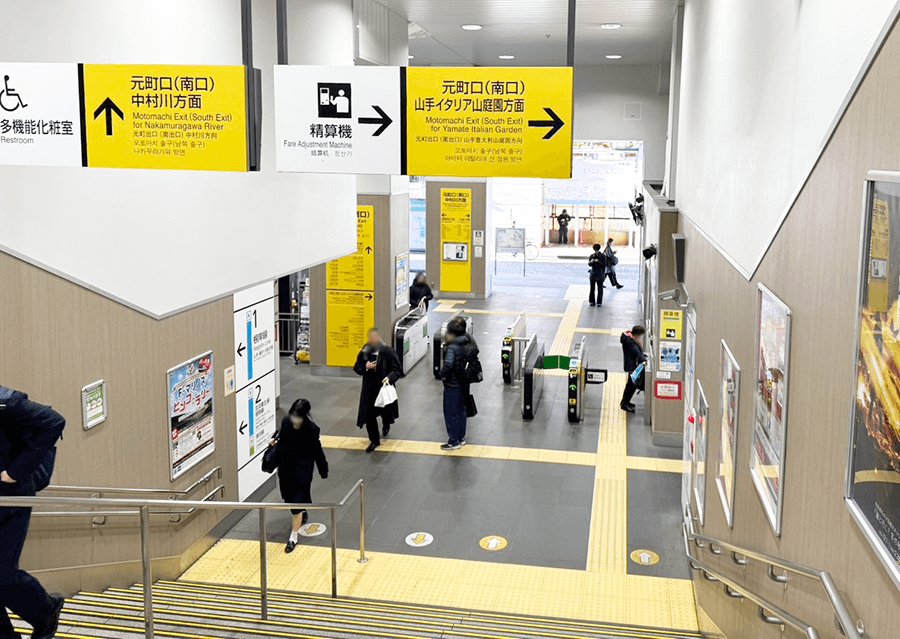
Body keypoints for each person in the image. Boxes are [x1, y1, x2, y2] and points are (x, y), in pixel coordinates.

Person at [0, 386, 66, 639]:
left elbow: (54, 422)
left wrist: (14, 472)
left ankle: (46, 611)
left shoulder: (6, 402)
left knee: (3, 574)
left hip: (10, 499)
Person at [272, 399, 328, 554]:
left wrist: (323, 470)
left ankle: (293, 537)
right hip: (285, 469)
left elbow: (318, 452)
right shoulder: (286, 422)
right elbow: (281, 438)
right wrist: (275, 440)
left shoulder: (311, 430)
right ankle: (303, 508)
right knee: (288, 498)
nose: (294, 419)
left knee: (295, 505)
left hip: (302, 471)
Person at [353, 328, 402, 453]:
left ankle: (386, 424)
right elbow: (357, 366)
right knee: (369, 415)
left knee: (385, 410)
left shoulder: (388, 351)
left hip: (383, 387)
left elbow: (397, 369)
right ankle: (374, 440)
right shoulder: (365, 350)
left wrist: (389, 378)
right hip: (370, 388)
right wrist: (366, 366)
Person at [439, 318, 479, 450]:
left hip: (452, 385)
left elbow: (449, 364)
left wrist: (442, 374)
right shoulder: (467, 344)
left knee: (451, 412)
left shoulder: (452, 348)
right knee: (461, 410)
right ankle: (461, 438)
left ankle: (453, 441)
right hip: (464, 383)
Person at [620, 326, 647, 413]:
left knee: (631, 384)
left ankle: (625, 401)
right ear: (637, 334)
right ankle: (624, 403)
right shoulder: (630, 342)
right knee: (631, 385)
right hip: (632, 365)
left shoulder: (629, 338)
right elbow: (636, 351)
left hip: (633, 364)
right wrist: (643, 360)